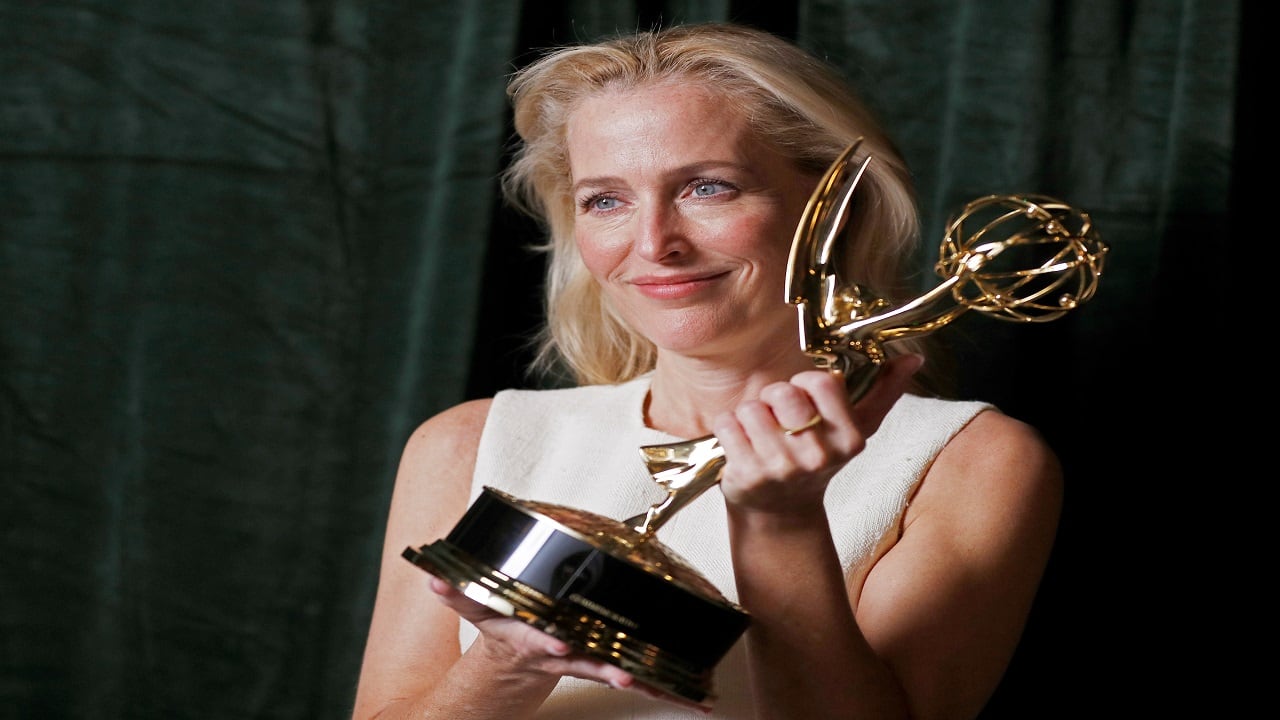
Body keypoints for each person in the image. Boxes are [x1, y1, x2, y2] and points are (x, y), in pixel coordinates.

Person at [352, 21, 1061, 720]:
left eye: (708, 188)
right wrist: (509, 662)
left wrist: (780, 525)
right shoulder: (467, 444)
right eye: (607, 200)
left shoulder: (967, 463)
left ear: (833, 210)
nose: (655, 242)